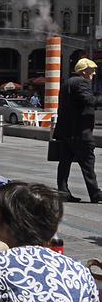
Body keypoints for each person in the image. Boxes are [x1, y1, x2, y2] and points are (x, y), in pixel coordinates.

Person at [54, 58, 102, 203]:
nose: (93, 73)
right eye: (91, 70)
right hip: (80, 132)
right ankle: (95, 194)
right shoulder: (81, 82)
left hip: (66, 132)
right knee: (88, 163)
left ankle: (63, 192)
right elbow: (89, 101)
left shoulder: (66, 83)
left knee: (64, 163)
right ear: (83, 71)